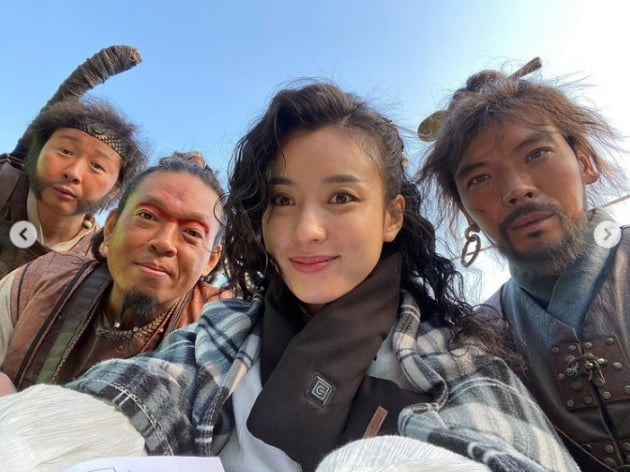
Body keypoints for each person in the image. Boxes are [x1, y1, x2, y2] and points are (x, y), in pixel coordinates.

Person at [0, 83, 577, 472]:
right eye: (282, 200)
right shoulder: (225, 331)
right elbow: (144, 393)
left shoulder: (457, 355)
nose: (306, 231)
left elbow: (498, 446)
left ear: (391, 216)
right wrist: (38, 438)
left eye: (341, 197)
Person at [417, 57, 629, 471]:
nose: (516, 189)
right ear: (466, 212)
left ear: (585, 162)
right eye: (479, 178)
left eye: (537, 153)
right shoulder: (479, 336)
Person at [0, 151, 226, 394]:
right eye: (147, 216)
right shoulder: (46, 276)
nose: (164, 243)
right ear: (110, 228)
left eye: (192, 233)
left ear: (211, 260)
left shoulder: (222, 326)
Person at [0, 98, 146, 278]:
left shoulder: (101, 260)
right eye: (65, 151)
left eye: (97, 166)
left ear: (115, 189)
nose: (73, 173)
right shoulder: (5, 185)